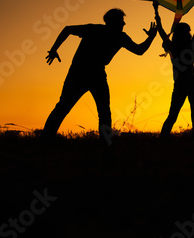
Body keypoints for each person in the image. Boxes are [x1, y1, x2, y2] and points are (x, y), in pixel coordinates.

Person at [42, 8, 157, 141]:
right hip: (84, 73)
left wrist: (54, 49)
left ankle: (46, 141)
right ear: (113, 22)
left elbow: (139, 50)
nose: (124, 24)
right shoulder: (103, 32)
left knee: (71, 108)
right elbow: (139, 50)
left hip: (88, 73)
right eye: (121, 21)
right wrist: (151, 37)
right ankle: (46, 140)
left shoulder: (109, 34)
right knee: (95, 111)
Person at [153, 0, 194, 137]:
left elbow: (161, 31)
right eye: (188, 32)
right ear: (185, 34)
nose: (189, 34)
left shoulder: (173, 48)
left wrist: (156, 11)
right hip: (191, 83)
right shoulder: (189, 46)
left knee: (174, 115)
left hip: (182, 84)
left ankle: (162, 140)